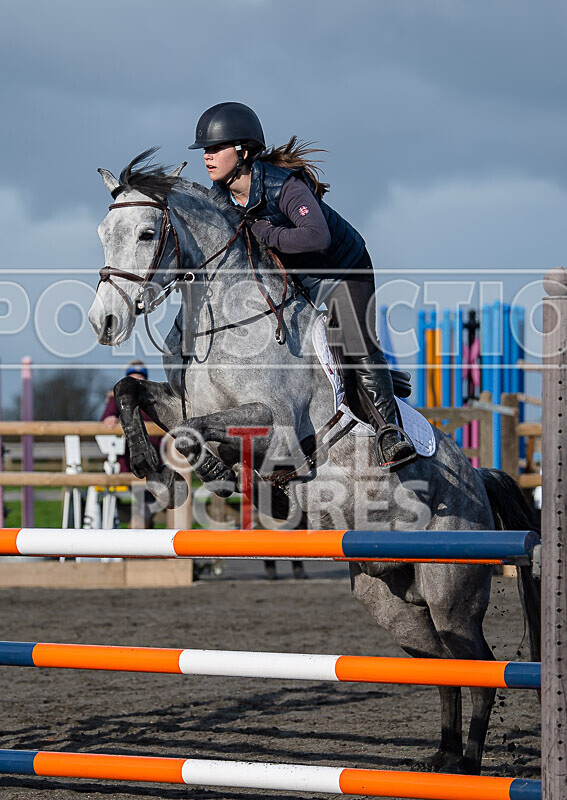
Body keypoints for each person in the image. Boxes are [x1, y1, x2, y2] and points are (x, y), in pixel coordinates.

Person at [188, 102, 416, 471]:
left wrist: (265, 232)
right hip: (292, 275)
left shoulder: (284, 187)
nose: (207, 157)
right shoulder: (221, 197)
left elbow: (316, 237)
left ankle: (390, 431)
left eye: (215, 149)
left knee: (352, 339)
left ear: (243, 152)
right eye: (205, 151)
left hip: (342, 270)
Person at [101, 360, 163, 527]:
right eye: (132, 378)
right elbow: (106, 419)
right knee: (144, 499)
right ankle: (135, 540)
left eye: (140, 378)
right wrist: (110, 419)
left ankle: (138, 539)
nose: (136, 381)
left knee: (149, 498)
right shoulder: (117, 398)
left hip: (153, 460)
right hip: (128, 464)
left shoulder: (151, 399)